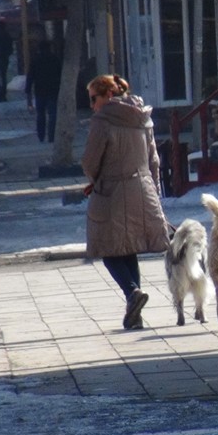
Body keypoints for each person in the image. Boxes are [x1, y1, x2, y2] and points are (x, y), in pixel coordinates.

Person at [82, 74, 169, 330]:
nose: (92, 105)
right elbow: (154, 160)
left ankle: (132, 293)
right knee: (128, 249)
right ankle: (135, 314)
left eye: (93, 98)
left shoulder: (103, 120)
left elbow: (90, 161)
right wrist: (153, 189)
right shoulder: (142, 116)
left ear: (108, 95)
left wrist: (96, 179)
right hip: (142, 189)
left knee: (108, 249)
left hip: (113, 190)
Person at [25, 41, 62, 143]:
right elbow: (60, 75)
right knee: (52, 114)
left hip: (40, 91)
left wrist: (28, 94)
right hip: (53, 90)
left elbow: (30, 77)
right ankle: (51, 136)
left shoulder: (35, 60)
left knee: (40, 114)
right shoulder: (55, 59)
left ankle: (41, 136)